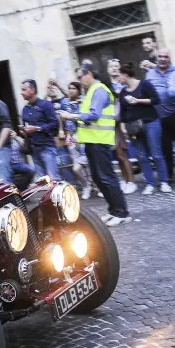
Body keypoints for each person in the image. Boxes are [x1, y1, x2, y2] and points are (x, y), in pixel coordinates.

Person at [60, 62, 131, 227]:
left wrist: (71, 116)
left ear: (88, 73)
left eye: (80, 76)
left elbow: (93, 115)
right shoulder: (92, 91)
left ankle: (122, 213)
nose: (79, 80)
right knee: (99, 178)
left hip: (100, 140)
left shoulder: (98, 90)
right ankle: (114, 210)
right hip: (94, 140)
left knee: (107, 177)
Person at [118, 62, 171, 195]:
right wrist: (124, 128)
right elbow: (123, 113)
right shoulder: (123, 92)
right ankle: (150, 183)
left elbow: (156, 100)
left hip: (150, 122)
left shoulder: (144, 84)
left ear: (125, 75)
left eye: (119, 76)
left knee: (156, 154)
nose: (118, 79)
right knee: (142, 157)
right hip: (133, 128)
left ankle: (163, 182)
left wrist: (138, 101)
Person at [147, 48, 175, 184]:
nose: (162, 59)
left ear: (170, 58)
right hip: (158, 116)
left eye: (165, 56)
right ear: (156, 58)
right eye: (160, 56)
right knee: (165, 147)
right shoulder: (150, 74)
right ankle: (169, 173)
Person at [20, 79, 61, 181]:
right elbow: (27, 128)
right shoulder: (25, 109)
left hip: (47, 148)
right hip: (34, 150)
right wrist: (24, 132)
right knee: (43, 183)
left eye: (24, 89)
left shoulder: (46, 105)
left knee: (54, 180)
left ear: (32, 91)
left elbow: (55, 124)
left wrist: (37, 128)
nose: (21, 93)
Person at [107, 58, 137, 194]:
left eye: (116, 66)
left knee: (122, 153)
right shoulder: (106, 84)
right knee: (117, 155)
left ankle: (131, 181)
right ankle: (125, 179)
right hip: (110, 122)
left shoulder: (123, 83)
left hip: (123, 121)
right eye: (111, 66)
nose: (114, 68)